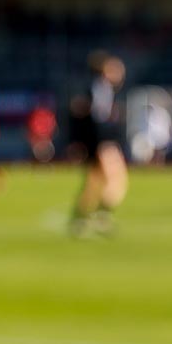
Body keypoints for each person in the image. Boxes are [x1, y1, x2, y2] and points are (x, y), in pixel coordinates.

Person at [69, 52, 128, 237]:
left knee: (93, 182)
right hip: (103, 143)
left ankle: (79, 219)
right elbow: (97, 119)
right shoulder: (101, 90)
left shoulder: (98, 89)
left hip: (97, 143)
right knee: (117, 181)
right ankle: (102, 217)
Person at [26, 98, 58, 165]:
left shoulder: (49, 115)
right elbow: (32, 127)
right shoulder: (35, 114)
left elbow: (52, 127)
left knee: (48, 150)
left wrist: (46, 137)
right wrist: (35, 138)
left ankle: (48, 163)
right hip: (37, 138)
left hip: (46, 138)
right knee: (36, 148)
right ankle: (35, 163)